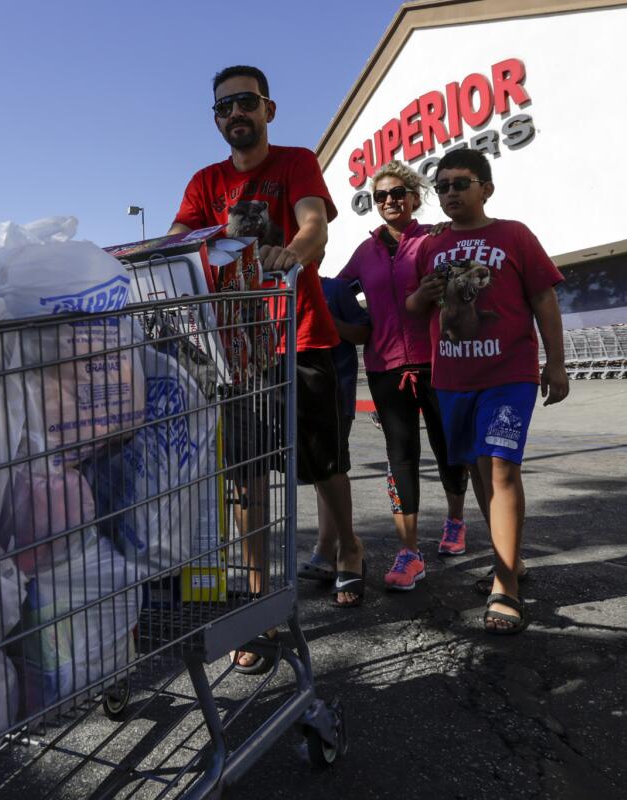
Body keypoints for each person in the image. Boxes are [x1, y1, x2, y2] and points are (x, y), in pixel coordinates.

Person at [169, 65, 366, 637]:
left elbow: (313, 226)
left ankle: (348, 549)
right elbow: (179, 241)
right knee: (246, 476)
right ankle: (258, 601)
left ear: (268, 110)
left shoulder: (296, 162)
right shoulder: (205, 182)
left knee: (323, 460)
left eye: (246, 102)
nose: (236, 113)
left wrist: (294, 253)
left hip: (299, 333)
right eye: (224, 106)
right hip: (237, 350)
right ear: (216, 118)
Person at [405, 148, 568, 634]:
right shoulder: (431, 247)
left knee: (500, 468)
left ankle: (505, 586)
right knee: (478, 470)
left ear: (486, 188)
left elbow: (544, 297)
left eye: (461, 183)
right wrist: (424, 295)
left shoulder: (513, 234)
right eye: (443, 186)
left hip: (508, 374)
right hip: (454, 379)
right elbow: (414, 305)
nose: (450, 192)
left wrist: (556, 364)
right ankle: (509, 560)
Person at [337, 161, 471, 593]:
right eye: (381, 196)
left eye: (398, 193)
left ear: (414, 197)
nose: (390, 201)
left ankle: (455, 521)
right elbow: (337, 292)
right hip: (384, 366)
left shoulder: (434, 238)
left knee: (448, 448)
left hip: (438, 362)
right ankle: (409, 553)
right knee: (401, 457)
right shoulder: (364, 251)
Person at [298, 277, 370, 583]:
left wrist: (329, 322)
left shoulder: (335, 289)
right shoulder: (282, 285)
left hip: (336, 393)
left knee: (330, 469)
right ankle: (327, 547)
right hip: (301, 395)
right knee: (319, 473)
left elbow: (363, 332)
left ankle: (340, 549)